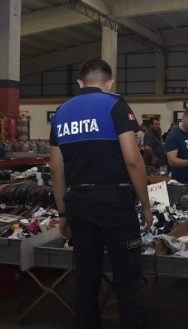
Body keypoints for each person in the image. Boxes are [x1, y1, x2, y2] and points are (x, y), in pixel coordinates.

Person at [49, 58, 152, 329]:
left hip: (79, 204)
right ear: (110, 82)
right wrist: (146, 205)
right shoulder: (115, 105)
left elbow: (56, 170)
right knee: (127, 279)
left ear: (79, 82)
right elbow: (133, 160)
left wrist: (63, 214)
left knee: (85, 279)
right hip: (115, 203)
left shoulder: (60, 113)